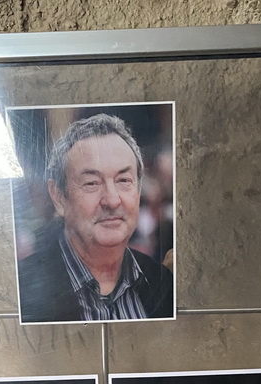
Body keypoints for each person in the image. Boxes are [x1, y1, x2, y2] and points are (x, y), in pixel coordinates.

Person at [17, 113, 174, 324]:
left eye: (124, 180)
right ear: (58, 196)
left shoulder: (162, 283)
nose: (112, 200)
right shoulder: (20, 291)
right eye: (92, 183)